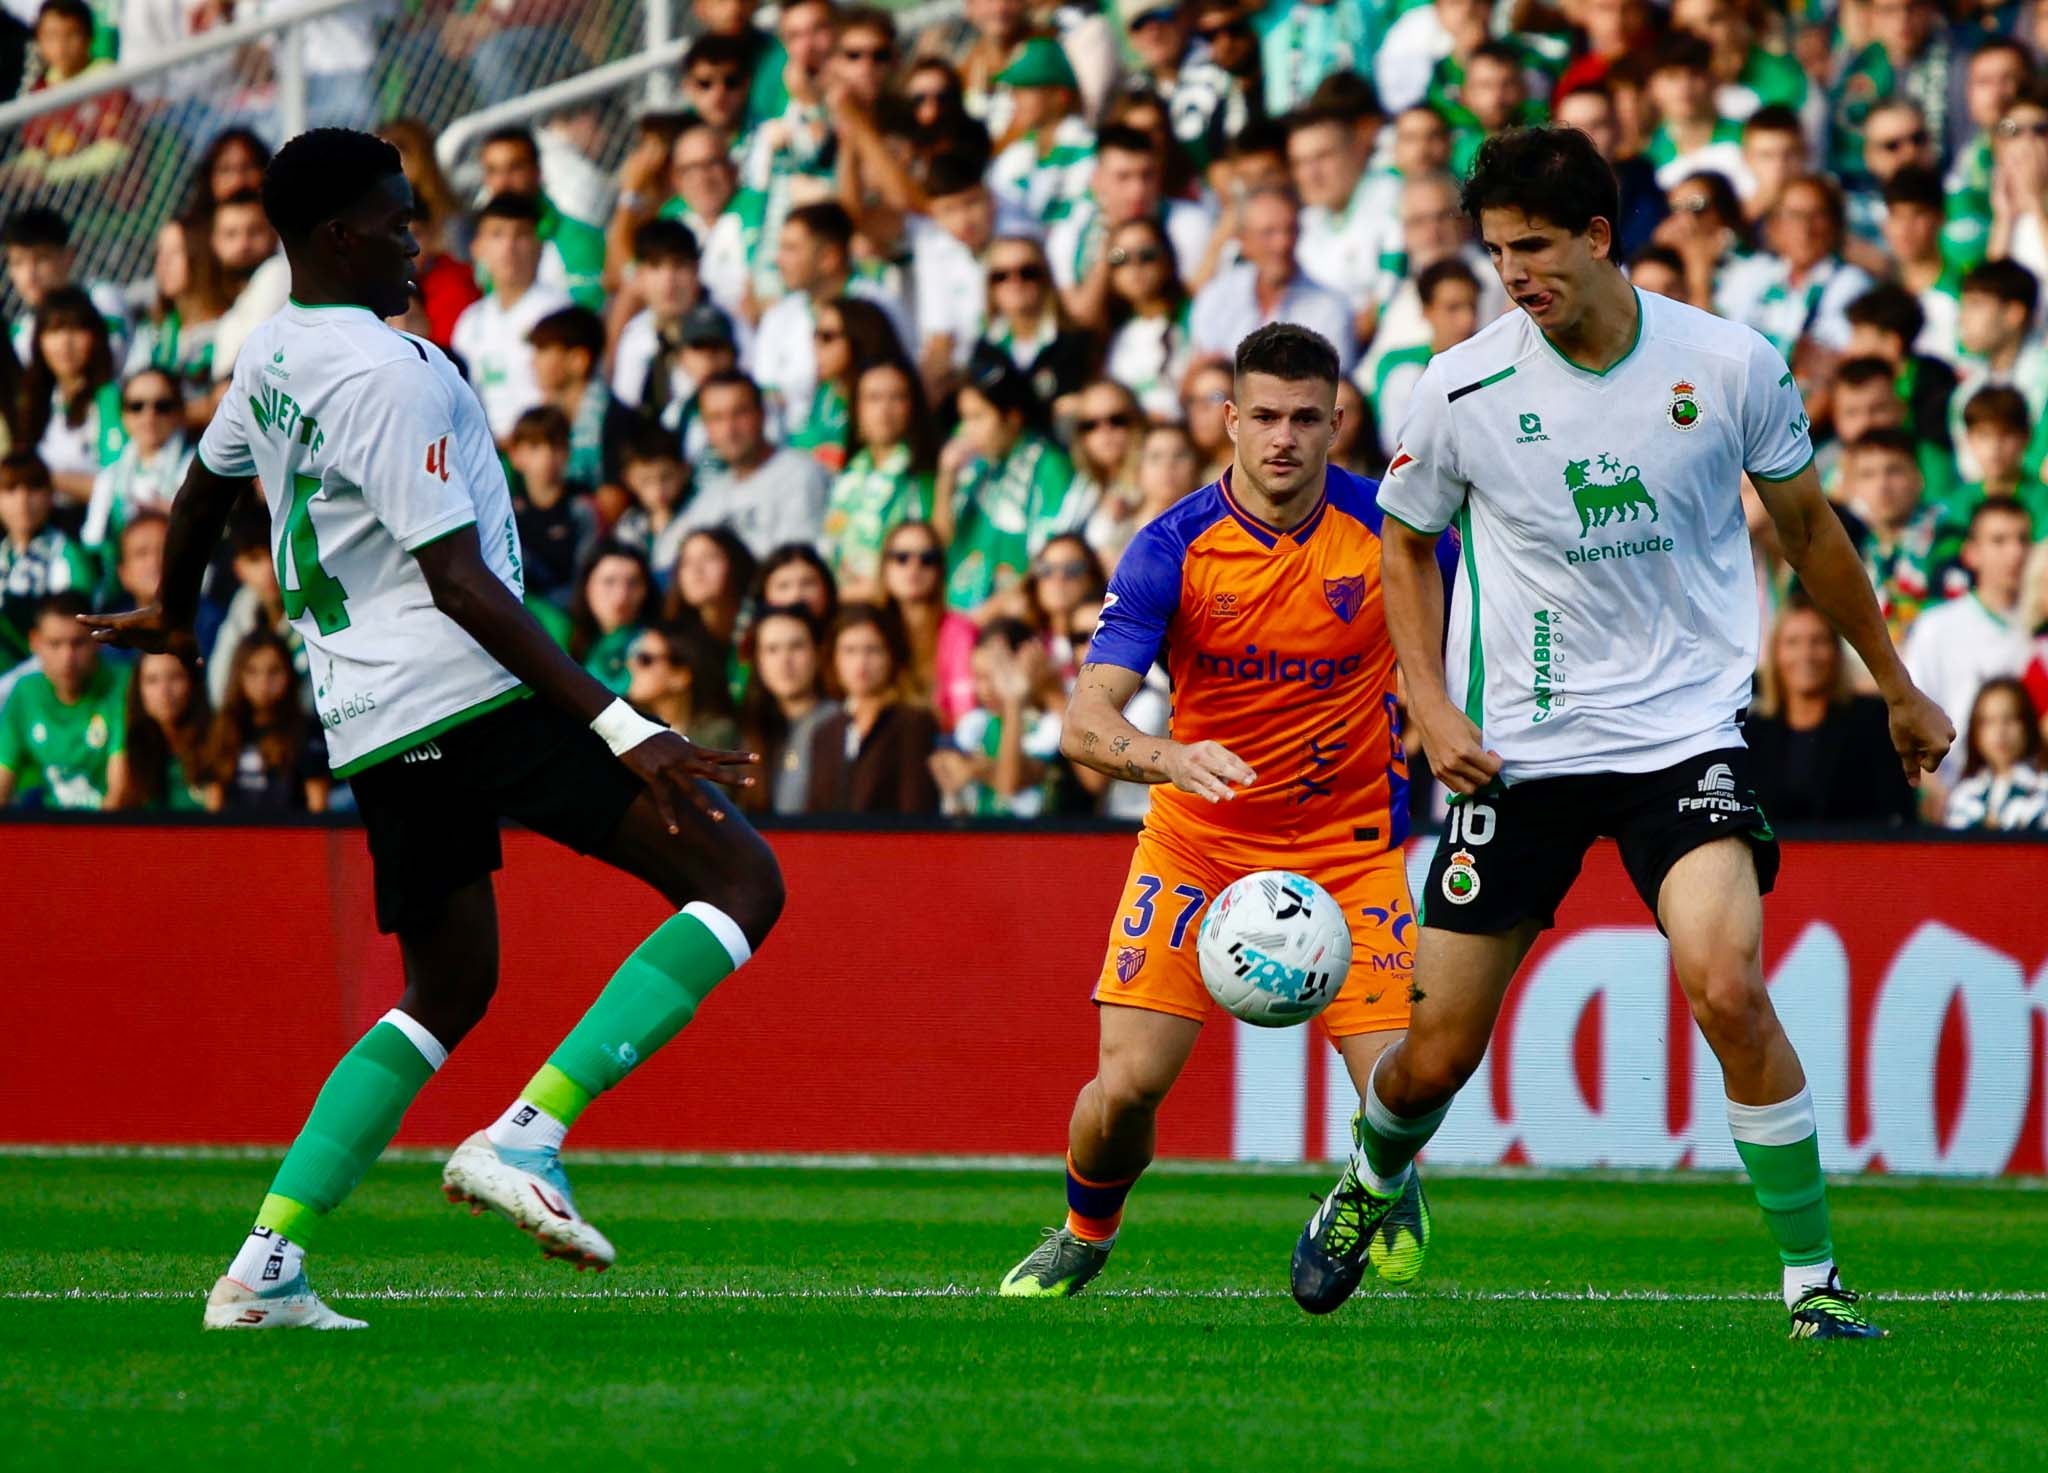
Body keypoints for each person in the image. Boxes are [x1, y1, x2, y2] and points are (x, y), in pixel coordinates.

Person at [84, 129, 782, 1331]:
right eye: (396, 218)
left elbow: (204, 483)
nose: (419, 238)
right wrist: (623, 725)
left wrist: (173, 605)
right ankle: (530, 1132)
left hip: (366, 716)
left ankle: (264, 1267)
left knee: (447, 984)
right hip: (465, 687)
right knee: (737, 876)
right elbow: (459, 581)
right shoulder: (386, 373)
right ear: (335, 234)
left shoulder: (276, 350)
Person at [1361, 128, 1952, 1340]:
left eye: (1530, 249)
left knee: (1725, 985)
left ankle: (1811, 1284)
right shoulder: (1460, 385)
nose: (1511, 275)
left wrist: (1891, 681)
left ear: (1594, 236)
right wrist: (1426, 700)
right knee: (1431, 1056)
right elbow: (1403, 542)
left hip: (1683, 734)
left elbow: (1808, 530)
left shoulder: (1728, 363)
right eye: (1491, 253)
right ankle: (1372, 1180)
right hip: (1516, 750)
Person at [997, 323, 1427, 1298]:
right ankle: (1082, 1230)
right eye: (1264, 417)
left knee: (1405, 1080)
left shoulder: (1393, 530)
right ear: (1229, 421)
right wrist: (1166, 757)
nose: (1283, 438)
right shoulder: (1171, 546)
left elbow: (1461, 642)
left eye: (1304, 419)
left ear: (1336, 424)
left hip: (1347, 845)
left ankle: (1384, 1182)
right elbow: (1082, 722)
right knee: (1125, 1091)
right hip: (1198, 845)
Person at [1742, 596, 1916, 824]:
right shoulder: (1753, 732)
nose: (1806, 654)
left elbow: (1896, 810)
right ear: (1776, 655)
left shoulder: (1872, 721)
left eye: (1818, 641)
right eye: (1793, 642)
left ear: (1836, 651)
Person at [1902, 496, 2035, 793]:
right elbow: (1913, 721)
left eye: (2023, 540)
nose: (2015, 553)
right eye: (1999, 541)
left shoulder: (2040, 629)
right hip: (1956, 802)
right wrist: (1934, 794)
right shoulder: (1936, 628)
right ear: (1972, 553)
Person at [936, 353, 1082, 616]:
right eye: (964, 418)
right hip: (958, 612)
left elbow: (1046, 556)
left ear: (1012, 418)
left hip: (1011, 618)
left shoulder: (1048, 465)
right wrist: (946, 478)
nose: (967, 430)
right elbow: (940, 543)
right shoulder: (971, 462)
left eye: (978, 418)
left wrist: (984, 617)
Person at [1188, 187, 1355, 374]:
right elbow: (1198, 372)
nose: (1282, 243)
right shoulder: (1217, 297)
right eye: (1268, 233)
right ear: (1244, 241)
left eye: (1290, 230)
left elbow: (1332, 388)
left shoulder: (1330, 308)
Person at [451, 194, 576, 444]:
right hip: (484, 454)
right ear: (478, 248)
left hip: (543, 451)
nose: (509, 247)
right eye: (497, 235)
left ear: (539, 247)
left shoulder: (559, 313)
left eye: (520, 235)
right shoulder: (468, 322)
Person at [804, 603, 940, 812]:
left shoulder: (913, 723)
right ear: (834, 659)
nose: (861, 662)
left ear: (892, 656)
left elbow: (917, 811)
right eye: (849, 651)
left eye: (873, 650)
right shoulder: (825, 732)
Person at [680, 370, 831, 557]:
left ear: (761, 415)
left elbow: (794, 565)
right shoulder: (708, 499)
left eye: (739, 414)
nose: (729, 429)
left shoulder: (799, 475)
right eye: (717, 418)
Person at [821, 360, 937, 599]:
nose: (884, 410)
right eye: (873, 398)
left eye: (896, 398)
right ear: (857, 409)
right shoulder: (849, 475)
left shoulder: (925, 478)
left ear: (912, 407)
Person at [0, 590, 126, 809]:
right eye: (55, 644)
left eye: (77, 643)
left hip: (112, 831)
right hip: (51, 832)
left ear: (98, 639)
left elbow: (120, 793)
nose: (67, 658)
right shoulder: (25, 693)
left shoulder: (122, 687)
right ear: (35, 642)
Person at [933, 617, 1065, 816]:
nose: (983, 688)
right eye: (977, 676)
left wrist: (976, 769)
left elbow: (1009, 783)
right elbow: (949, 771)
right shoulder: (976, 724)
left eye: (993, 676)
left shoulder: (1047, 726)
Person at [200, 628, 329, 813]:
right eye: (252, 672)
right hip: (234, 839)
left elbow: (319, 810)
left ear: (289, 674)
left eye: (274, 671)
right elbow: (213, 808)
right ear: (239, 675)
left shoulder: (307, 731)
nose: (263, 683)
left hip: (292, 838)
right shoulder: (222, 729)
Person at [20, 286, 124, 504]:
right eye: (54, 331)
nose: (65, 343)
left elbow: (118, 485)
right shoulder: (34, 400)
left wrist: (43, 478)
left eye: (76, 330)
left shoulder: (110, 398)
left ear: (96, 336)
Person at [527, 306, 639, 497]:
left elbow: (614, 500)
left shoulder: (618, 421)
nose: (533, 362)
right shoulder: (542, 419)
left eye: (544, 350)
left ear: (578, 360)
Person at [877, 518, 977, 730]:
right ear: (884, 567)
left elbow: (964, 716)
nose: (914, 567)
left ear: (940, 569)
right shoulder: (871, 628)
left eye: (927, 559)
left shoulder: (959, 630)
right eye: (901, 558)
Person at [786, 296, 902, 473]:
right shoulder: (826, 393)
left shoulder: (884, 396)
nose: (816, 346)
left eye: (827, 337)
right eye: (815, 336)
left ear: (858, 336)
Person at [82, 368, 191, 557]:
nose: (149, 417)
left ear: (179, 412)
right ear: (123, 416)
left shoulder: (198, 467)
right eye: (136, 406)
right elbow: (93, 541)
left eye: (162, 406)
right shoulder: (110, 476)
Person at [0, 450, 92, 664]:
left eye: (34, 488)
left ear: (50, 495)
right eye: (11, 490)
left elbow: (74, 629)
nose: (23, 500)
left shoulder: (68, 554)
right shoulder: (4, 553)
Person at [738, 603, 831, 813]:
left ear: (818, 653)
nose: (784, 661)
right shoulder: (748, 729)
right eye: (772, 649)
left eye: (796, 647)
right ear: (758, 661)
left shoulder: (839, 723)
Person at [1101, 217, 1194, 423]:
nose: (1134, 266)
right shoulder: (1108, 334)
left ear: (1168, 260)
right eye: (1120, 258)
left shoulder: (1194, 317)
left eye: (1147, 255)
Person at [507, 406, 597, 609]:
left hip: (574, 611)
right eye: (535, 447)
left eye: (556, 446)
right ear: (515, 455)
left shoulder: (583, 508)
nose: (547, 456)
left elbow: (586, 575)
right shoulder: (508, 512)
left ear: (568, 451)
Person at [1943, 678, 2048, 830]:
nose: (2000, 731)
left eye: (2010, 719)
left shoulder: (2043, 788)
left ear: (2027, 725)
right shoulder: (1963, 796)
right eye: (1989, 721)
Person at [110, 649, 208, 810]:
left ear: (193, 682)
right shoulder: (131, 742)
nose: (164, 691)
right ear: (138, 690)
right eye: (152, 680)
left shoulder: (214, 741)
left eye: (175, 677)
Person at [624, 620, 743, 751]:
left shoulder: (716, 736)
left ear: (680, 676)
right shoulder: (627, 732)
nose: (632, 665)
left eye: (645, 659)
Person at [573, 541, 660, 693]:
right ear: (586, 586)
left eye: (633, 583)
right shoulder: (564, 640)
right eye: (609, 582)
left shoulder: (656, 647)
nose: (621, 596)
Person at [611, 426, 694, 581]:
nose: (658, 490)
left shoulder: (696, 517)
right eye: (646, 481)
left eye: (666, 477)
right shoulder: (629, 524)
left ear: (684, 471)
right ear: (629, 480)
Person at [667, 526, 756, 652]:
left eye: (709, 558)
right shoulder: (672, 646)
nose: (696, 570)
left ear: (735, 564)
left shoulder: (763, 627)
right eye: (687, 562)